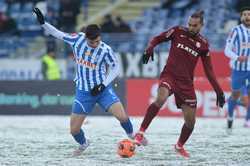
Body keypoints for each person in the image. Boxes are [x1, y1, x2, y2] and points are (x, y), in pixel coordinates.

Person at [33, 7, 134, 156]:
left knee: (123, 117)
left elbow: (115, 68)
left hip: (102, 91)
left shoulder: (105, 50)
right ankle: (84, 143)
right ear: (86, 38)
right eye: (93, 42)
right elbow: (57, 34)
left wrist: (103, 85)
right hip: (83, 93)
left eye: (98, 41)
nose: (96, 44)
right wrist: (43, 23)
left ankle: (133, 138)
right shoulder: (77, 40)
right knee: (74, 130)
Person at [133, 10, 225, 158]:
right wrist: (149, 47)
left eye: (194, 25)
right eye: (189, 24)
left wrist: (219, 91)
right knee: (161, 98)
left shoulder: (203, 44)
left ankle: (179, 146)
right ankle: (140, 133)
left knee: (190, 123)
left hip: (186, 84)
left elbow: (209, 71)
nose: (191, 27)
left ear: (201, 25)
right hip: (169, 75)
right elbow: (158, 38)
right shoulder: (177, 31)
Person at [224, 7, 250, 132]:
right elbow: (226, 50)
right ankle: (230, 116)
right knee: (235, 95)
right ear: (241, 17)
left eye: (249, 14)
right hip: (239, 69)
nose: (247, 16)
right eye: (244, 14)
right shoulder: (236, 31)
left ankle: (247, 120)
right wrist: (237, 57)